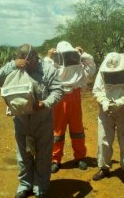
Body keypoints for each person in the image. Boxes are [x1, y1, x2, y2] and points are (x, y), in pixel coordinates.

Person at [0, 44, 63, 198]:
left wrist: (45, 103)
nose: (24, 64)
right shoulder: (15, 67)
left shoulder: (48, 70)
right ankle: (25, 185)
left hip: (42, 120)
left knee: (44, 156)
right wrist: (12, 65)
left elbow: (58, 90)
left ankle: (40, 187)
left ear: (34, 58)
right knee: (23, 155)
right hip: (21, 120)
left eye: (26, 60)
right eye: (19, 60)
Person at [48, 41, 96, 173]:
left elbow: (91, 68)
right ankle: (55, 159)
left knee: (77, 130)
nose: (68, 59)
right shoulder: (53, 66)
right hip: (59, 97)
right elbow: (44, 71)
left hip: (74, 97)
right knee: (57, 130)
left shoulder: (79, 67)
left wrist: (82, 53)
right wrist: (50, 57)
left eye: (70, 55)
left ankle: (80, 157)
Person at [92, 52, 124, 187]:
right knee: (103, 140)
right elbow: (96, 90)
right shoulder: (103, 69)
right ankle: (104, 168)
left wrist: (122, 101)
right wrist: (104, 102)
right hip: (106, 110)